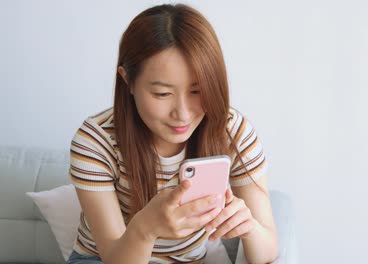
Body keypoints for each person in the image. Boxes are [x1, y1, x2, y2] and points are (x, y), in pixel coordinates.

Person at [67, 3, 278, 264]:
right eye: (162, 94)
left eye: (197, 91)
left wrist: (249, 227)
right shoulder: (96, 141)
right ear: (128, 81)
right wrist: (145, 228)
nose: (183, 113)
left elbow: (269, 249)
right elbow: (113, 258)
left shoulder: (232, 132)